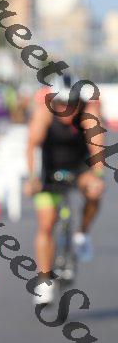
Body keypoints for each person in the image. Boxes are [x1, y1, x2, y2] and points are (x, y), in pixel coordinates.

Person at [25, 75, 105, 305]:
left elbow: (97, 148)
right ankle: (44, 280)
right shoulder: (43, 113)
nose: (66, 109)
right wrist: (32, 178)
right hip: (49, 171)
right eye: (61, 103)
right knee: (46, 224)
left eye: (72, 104)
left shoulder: (88, 113)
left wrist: (98, 176)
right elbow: (32, 146)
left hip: (79, 169)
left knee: (95, 190)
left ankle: (82, 234)